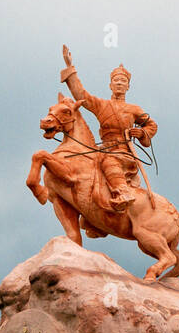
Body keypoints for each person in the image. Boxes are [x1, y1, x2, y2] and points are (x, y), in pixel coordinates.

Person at [60, 44, 158, 209]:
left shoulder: (134, 109)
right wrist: (70, 67)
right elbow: (81, 95)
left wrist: (142, 133)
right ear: (110, 85)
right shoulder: (101, 105)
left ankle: (122, 193)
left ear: (128, 87)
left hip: (123, 154)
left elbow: (151, 124)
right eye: (116, 80)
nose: (119, 83)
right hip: (103, 150)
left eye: (123, 81)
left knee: (108, 160)